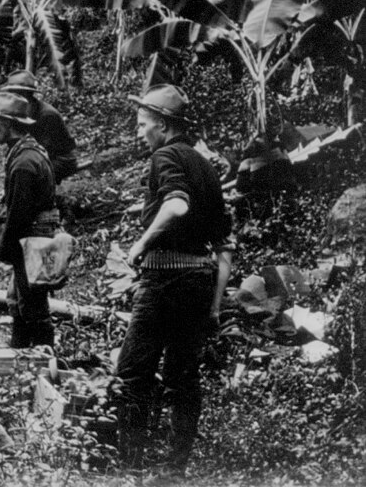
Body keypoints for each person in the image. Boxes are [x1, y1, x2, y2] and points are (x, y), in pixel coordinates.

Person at [116, 84, 234, 479]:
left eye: (142, 124)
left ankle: (130, 471)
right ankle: (173, 472)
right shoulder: (205, 166)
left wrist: (140, 243)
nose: (139, 132)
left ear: (163, 126)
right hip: (200, 281)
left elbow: (177, 203)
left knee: (133, 373)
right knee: (183, 377)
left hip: (166, 279)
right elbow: (225, 247)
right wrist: (215, 306)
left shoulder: (164, 155)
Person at [0, 91, 58, 348]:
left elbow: (18, 216)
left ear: (8, 124)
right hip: (35, 236)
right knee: (18, 298)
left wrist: (2, 252)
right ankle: (18, 352)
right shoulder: (27, 151)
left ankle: (44, 360)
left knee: (33, 304)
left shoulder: (24, 163)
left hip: (32, 238)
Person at [0, 71, 78, 182]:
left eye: (17, 94)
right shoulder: (20, 111)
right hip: (40, 156)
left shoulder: (46, 115)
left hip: (61, 160)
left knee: (27, 172)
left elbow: (42, 152)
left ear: (27, 94)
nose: (13, 97)